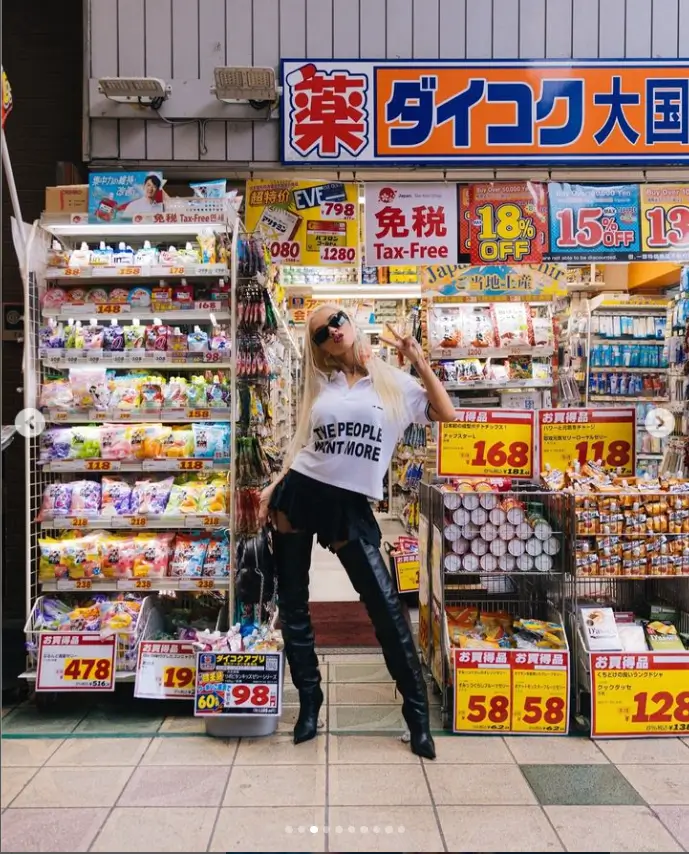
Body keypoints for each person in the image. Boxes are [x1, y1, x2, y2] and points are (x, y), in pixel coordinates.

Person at [259, 304, 457, 759]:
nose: (332, 330)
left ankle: (417, 717)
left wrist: (418, 358)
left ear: (351, 324)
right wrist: (275, 484)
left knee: (386, 608)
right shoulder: (321, 387)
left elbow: (446, 414)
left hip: (349, 504)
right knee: (294, 606)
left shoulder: (392, 382)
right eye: (320, 333)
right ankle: (310, 703)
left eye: (337, 320)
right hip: (299, 494)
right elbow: (308, 448)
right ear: (318, 348)